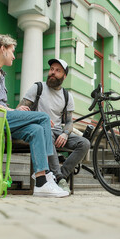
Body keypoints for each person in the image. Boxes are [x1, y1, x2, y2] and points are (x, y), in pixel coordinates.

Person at [0, 34, 68, 198]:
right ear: (3, 49)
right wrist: (10, 110)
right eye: (12, 51)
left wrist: (15, 109)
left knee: (37, 130)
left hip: (3, 119)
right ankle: (47, 174)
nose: (14, 56)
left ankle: (40, 182)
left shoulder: (2, 75)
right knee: (43, 118)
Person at [18, 58, 90, 193]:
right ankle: (59, 177)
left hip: (58, 132)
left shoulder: (67, 96)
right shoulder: (37, 88)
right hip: (40, 131)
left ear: (64, 76)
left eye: (57, 71)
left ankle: (60, 175)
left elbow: (69, 122)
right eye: (52, 69)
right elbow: (19, 111)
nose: (53, 73)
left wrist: (65, 133)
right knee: (47, 134)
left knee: (85, 143)